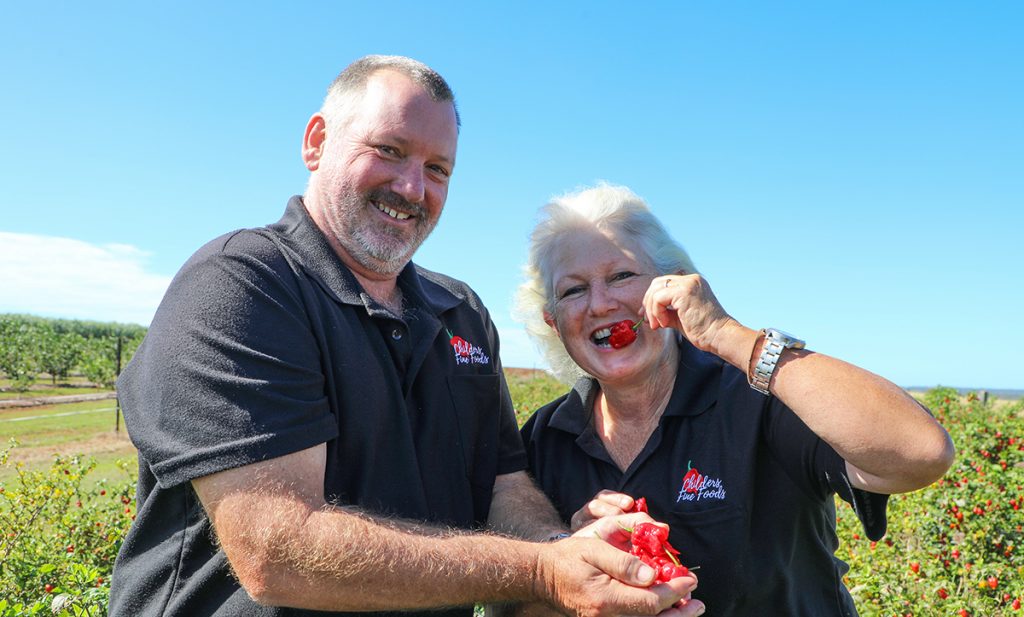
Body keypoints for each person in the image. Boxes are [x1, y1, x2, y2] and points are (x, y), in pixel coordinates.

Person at [109, 58, 703, 617]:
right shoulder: (244, 285)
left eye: (437, 169)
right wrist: (545, 568)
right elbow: (278, 550)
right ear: (316, 142)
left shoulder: (461, 312)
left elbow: (505, 485)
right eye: (389, 151)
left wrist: (566, 548)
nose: (413, 188)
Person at [514, 184, 955, 616]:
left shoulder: (760, 400)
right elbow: (515, 600)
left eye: (622, 276)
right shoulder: (544, 436)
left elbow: (922, 452)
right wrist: (565, 559)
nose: (600, 304)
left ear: (671, 286)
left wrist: (729, 335)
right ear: (554, 323)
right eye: (573, 290)